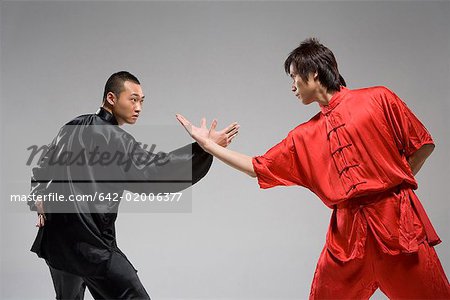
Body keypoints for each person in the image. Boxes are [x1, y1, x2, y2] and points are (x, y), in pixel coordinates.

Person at [176, 38, 450, 299]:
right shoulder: (304, 136)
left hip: (400, 229)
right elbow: (256, 167)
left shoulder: (378, 98)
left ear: (314, 73)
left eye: (295, 76)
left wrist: (394, 182)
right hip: (348, 239)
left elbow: (422, 144)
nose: (292, 86)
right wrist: (209, 147)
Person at [28, 71, 239, 300]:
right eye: (133, 99)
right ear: (111, 98)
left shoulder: (73, 125)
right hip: (92, 248)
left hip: (57, 243)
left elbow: (43, 165)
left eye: (142, 101)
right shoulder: (117, 140)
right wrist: (206, 147)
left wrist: (37, 197)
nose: (138, 107)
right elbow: (157, 172)